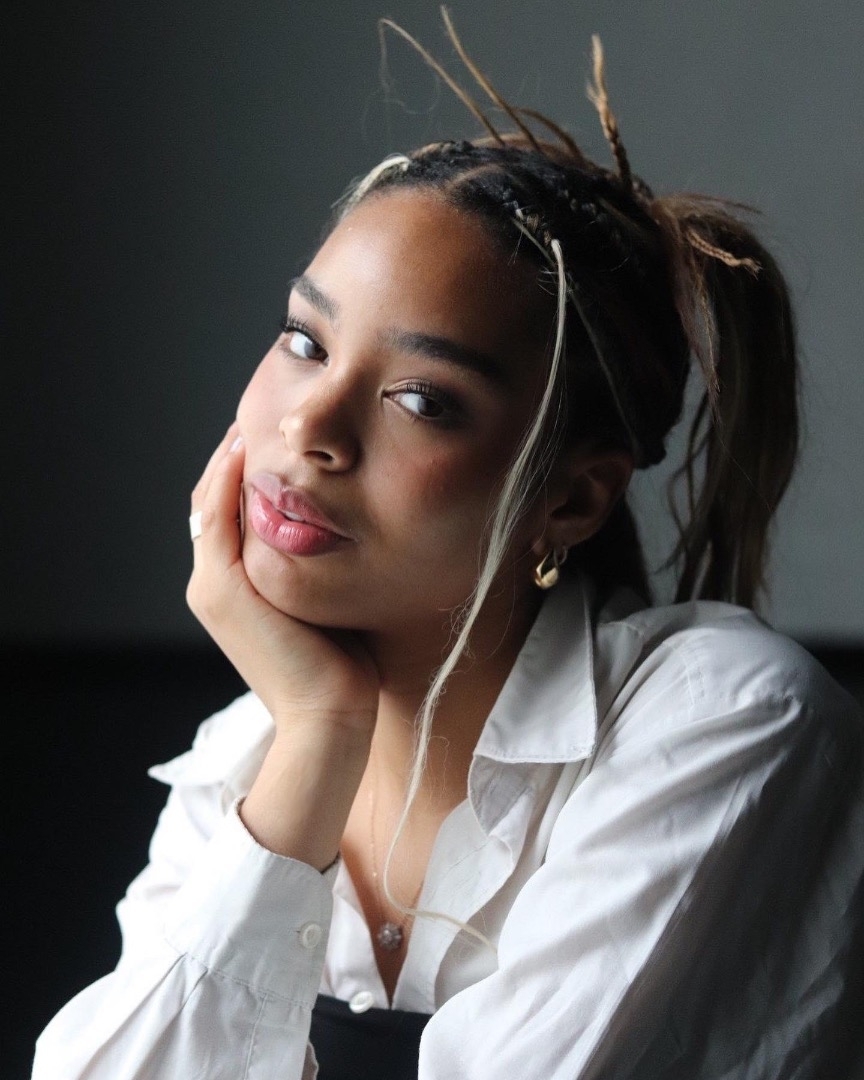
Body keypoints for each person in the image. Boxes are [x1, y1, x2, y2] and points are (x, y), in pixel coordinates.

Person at [33, 13, 864, 1080]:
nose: (309, 428)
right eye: (305, 340)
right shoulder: (241, 767)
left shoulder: (726, 724)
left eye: (423, 399)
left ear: (573, 499)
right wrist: (318, 740)